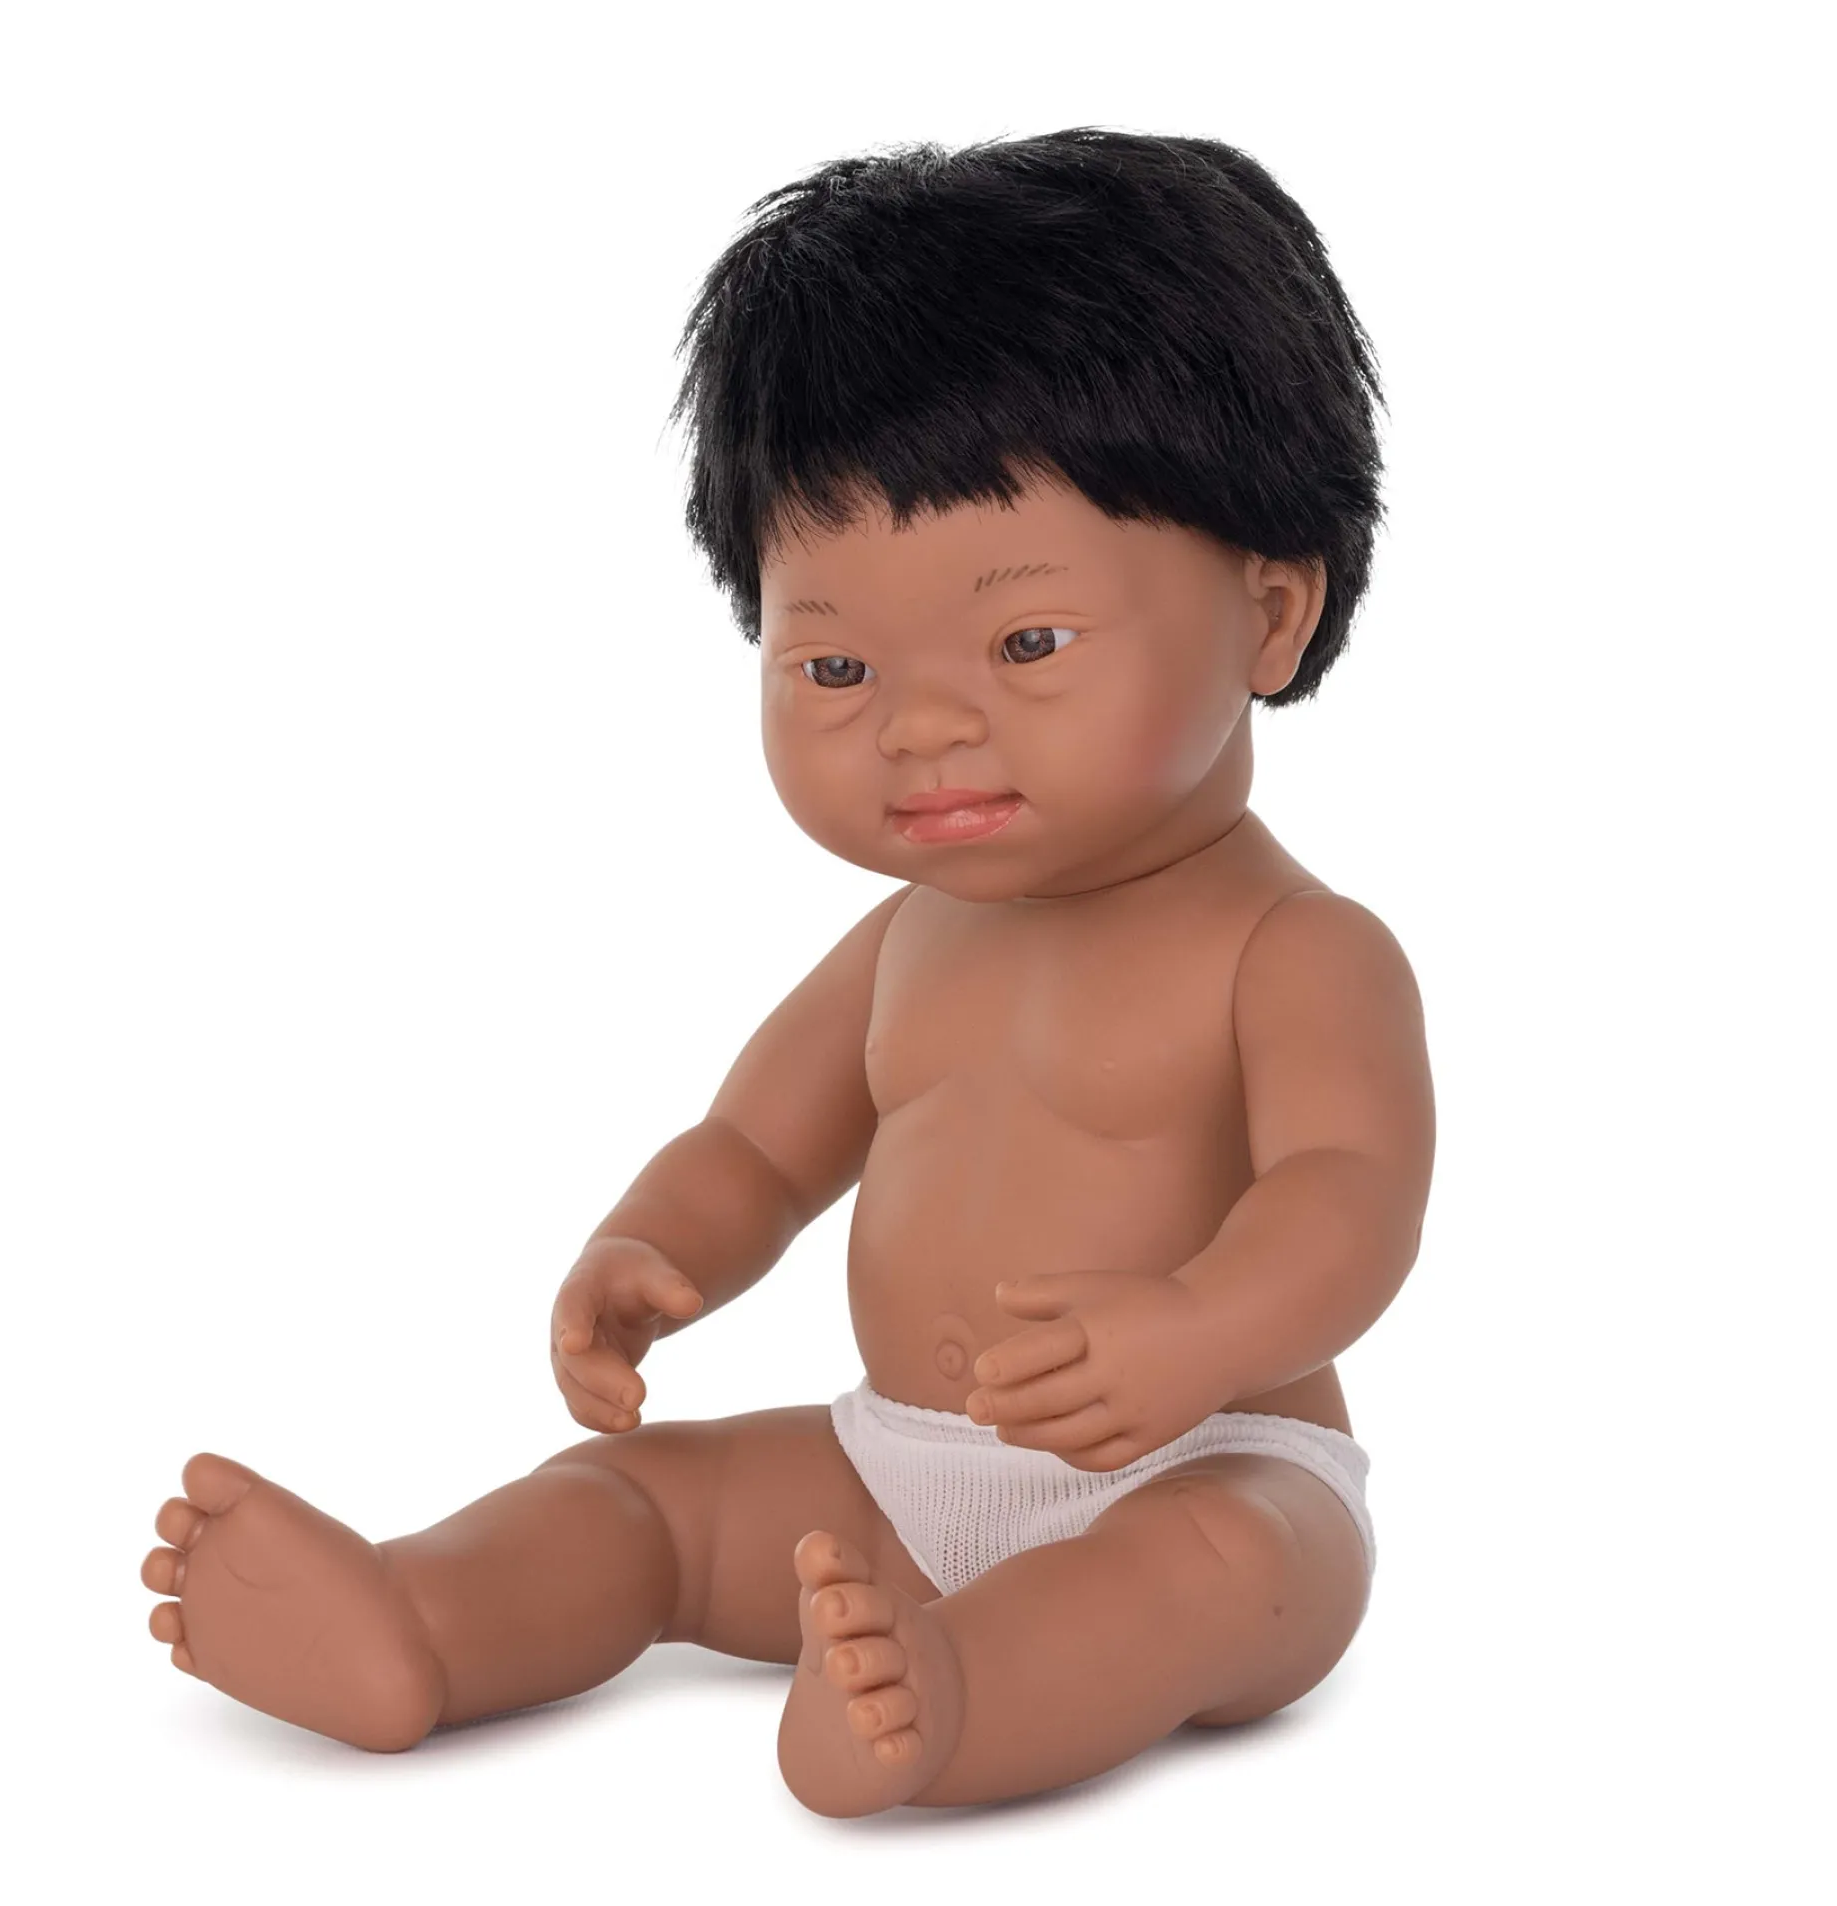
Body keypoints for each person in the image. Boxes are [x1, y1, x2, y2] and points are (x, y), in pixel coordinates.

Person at [141, 126, 1436, 1818]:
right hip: (895, 1462)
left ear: (1268, 615)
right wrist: (654, 1246)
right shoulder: (909, 939)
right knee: (650, 1500)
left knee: (1200, 1578)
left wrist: (1196, 1333)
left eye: (1026, 641)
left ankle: (956, 1699)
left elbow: (1346, 1201)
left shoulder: (1295, 950)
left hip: (1204, 1457)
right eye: (833, 665)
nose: (920, 722)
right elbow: (757, 1145)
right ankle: (420, 1620)